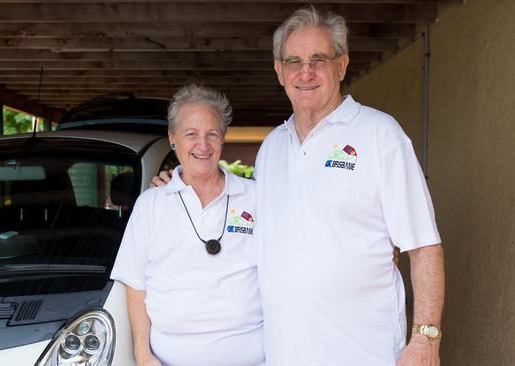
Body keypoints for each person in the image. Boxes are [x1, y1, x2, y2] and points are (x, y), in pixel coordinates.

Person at [152, 6, 444, 366]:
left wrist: (426, 338)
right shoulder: (273, 148)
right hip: (283, 353)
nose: (306, 72)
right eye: (294, 61)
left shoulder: (380, 135)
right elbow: (239, 224)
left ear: (342, 64)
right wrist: (177, 185)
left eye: (319, 59)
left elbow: (424, 246)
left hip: (365, 352)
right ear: (279, 71)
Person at [111, 84, 265, 366]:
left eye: (212, 134)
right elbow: (135, 285)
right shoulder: (151, 204)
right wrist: (143, 355)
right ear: (173, 138)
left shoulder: (256, 198)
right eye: (191, 134)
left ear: (223, 139)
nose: (202, 145)